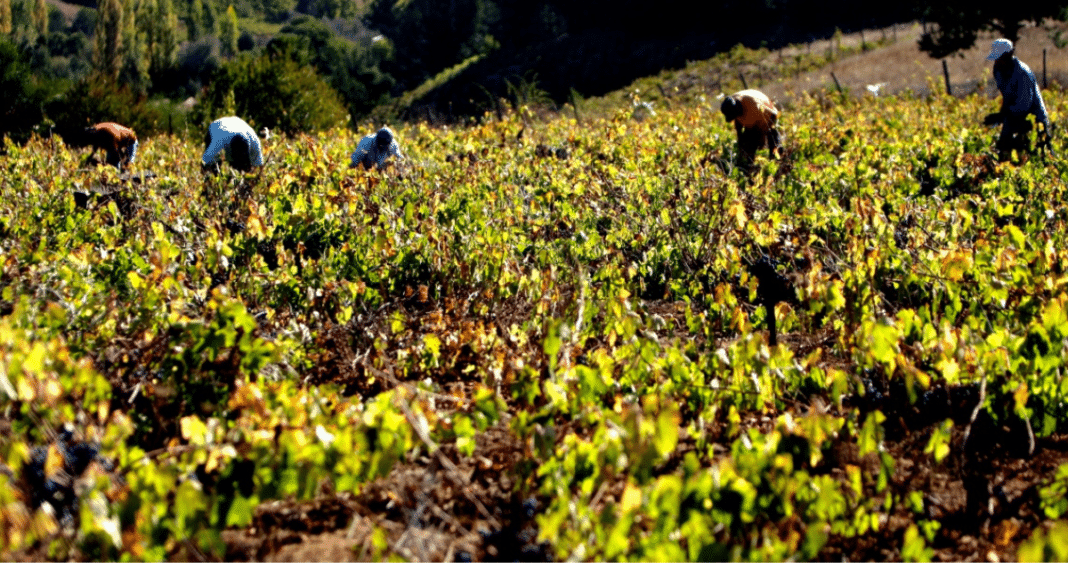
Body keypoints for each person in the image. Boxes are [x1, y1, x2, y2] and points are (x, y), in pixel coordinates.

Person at [984, 38, 1052, 160]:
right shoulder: (998, 70)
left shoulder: (1022, 73)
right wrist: (1001, 114)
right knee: (1003, 151)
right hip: (1012, 115)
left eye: (1001, 57)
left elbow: (1024, 105)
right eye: (997, 58)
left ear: (1010, 54)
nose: (998, 61)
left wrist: (1001, 116)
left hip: (1034, 117)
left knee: (1039, 157)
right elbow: (1007, 96)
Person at [720, 89, 782, 162]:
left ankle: (775, 158)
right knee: (746, 142)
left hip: (768, 111)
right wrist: (740, 143)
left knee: (767, 138)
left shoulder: (752, 108)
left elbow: (757, 131)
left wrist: (754, 144)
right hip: (755, 107)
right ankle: (747, 160)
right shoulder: (734, 102)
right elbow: (738, 126)